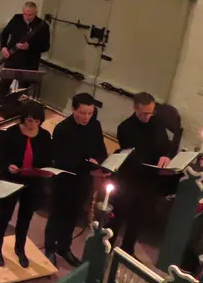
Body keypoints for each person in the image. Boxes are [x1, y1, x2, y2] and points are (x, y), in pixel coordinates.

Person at [43, 93, 109, 267]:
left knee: (73, 216)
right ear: (73, 109)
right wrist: (90, 167)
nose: (86, 117)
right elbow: (64, 160)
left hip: (83, 181)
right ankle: (50, 248)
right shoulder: (62, 129)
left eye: (89, 113)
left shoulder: (95, 125)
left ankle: (64, 247)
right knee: (57, 215)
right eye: (82, 112)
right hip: (65, 180)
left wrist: (98, 162)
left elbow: (101, 150)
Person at [112, 92, 176, 256]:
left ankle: (127, 249)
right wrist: (153, 164)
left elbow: (166, 145)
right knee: (119, 213)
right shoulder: (125, 128)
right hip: (130, 177)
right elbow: (132, 156)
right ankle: (107, 245)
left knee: (139, 216)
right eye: (144, 113)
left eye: (151, 112)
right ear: (135, 108)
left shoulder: (157, 122)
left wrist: (166, 156)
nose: (148, 116)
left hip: (149, 179)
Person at [0, 101, 53, 268]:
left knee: (25, 217)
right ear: (23, 119)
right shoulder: (11, 133)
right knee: (5, 215)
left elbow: (48, 158)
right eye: (29, 120)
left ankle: (20, 249)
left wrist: (46, 169)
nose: (32, 124)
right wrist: (8, 166)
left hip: (33, 181)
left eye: (36, 121)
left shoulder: (45, 136)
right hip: (12, 179)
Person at [0, 1, 50, 99]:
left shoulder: (42, 26)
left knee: (23, 91)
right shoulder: (17, 19)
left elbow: (46, 46)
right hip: (12, 59)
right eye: (25, 14)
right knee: (3, 87)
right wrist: (4, 47)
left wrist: (29, 46)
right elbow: (4, 33)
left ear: (36, 13)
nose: (27, 17)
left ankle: (19, 111)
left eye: (30, 15)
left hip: (29, 63)